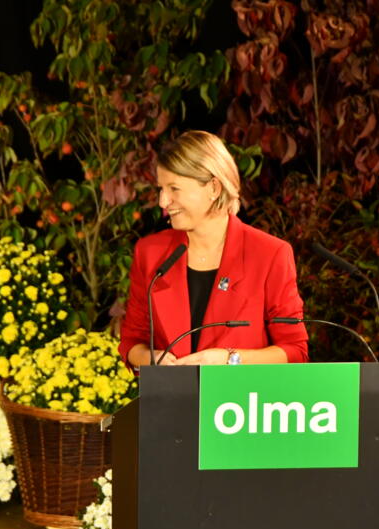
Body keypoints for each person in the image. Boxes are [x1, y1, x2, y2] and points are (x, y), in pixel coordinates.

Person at [118, 130, 309, 368]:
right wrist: (153, 359)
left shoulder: (270, 254)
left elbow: (295, 351)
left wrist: (230, 360)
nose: (163, 202)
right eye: (161, 189)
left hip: (240, 392)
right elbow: (132, 341)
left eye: (174, 189)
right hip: (170, 391)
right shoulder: (150, 253)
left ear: (214, 188)